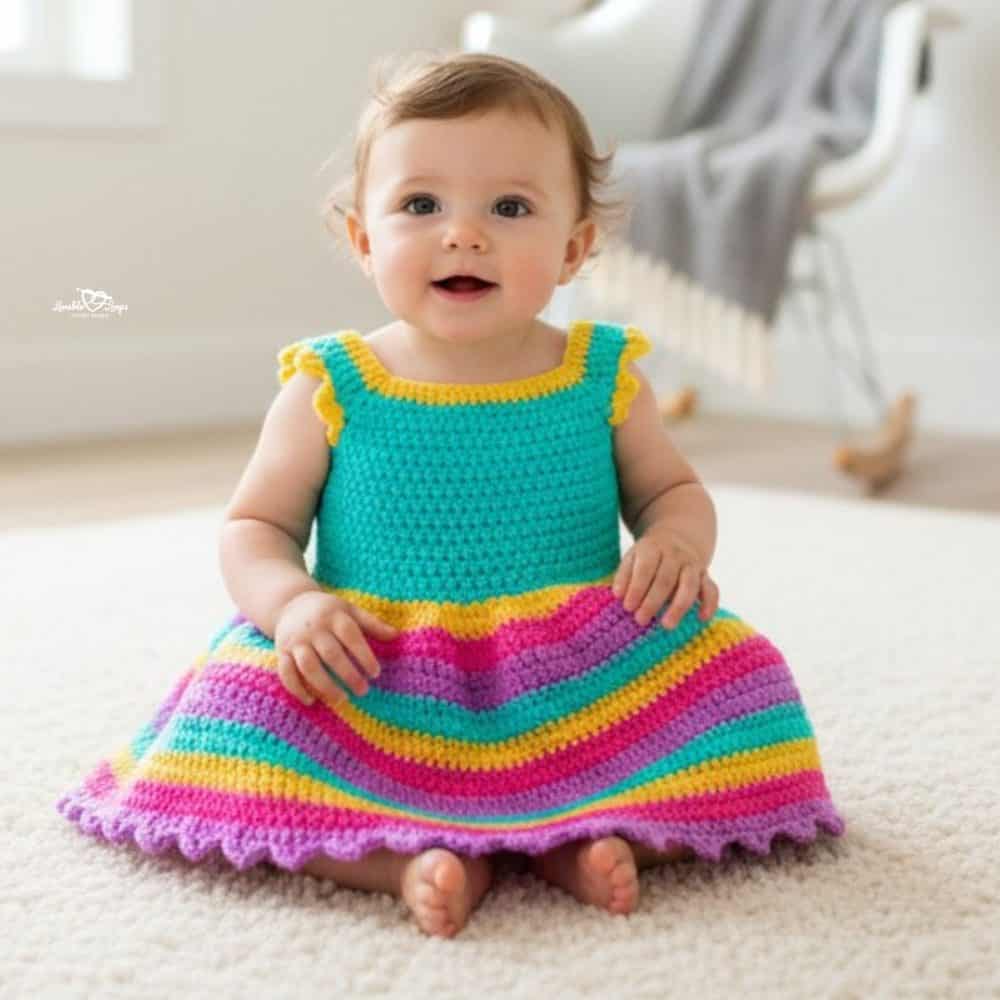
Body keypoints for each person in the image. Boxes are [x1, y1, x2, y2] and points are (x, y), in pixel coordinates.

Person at [55, 50, 845, 940]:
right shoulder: (333, 382)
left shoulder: (599, 376)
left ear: (576, 246)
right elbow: (254, 526)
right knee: (236, 714)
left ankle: (582, 834)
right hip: (376, 665)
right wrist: (295, 607)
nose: (462, 234)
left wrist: (675, 544)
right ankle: (401, 858)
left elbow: (673, 491)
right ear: (363, 238)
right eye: (420, 205)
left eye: (509, 208)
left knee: (747, 686)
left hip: (573, 676)